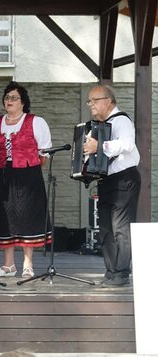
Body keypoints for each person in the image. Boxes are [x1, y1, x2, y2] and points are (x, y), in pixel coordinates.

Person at [0, 81, 52, 279]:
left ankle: (27, 264)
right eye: (7, 97)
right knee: (6, 217)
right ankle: (8, 265)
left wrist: (27, 166)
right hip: (4, 175)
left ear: (23, 102)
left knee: (27, 217)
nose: (10, 101)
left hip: (28, 175)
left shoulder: (36, 121)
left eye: (14, 98)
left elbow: (45, 154)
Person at [83, 85, 140, 286]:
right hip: (107, 181)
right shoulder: (100, 125)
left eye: (94, 100)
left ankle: (122, 273)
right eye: (89, 101)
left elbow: (128, 145)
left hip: (124, 179)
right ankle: (111, 271)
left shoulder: (121, 120)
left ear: (108, 100)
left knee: (120, 228)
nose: (90, 104)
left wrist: (100, 146)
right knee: (105, 228)